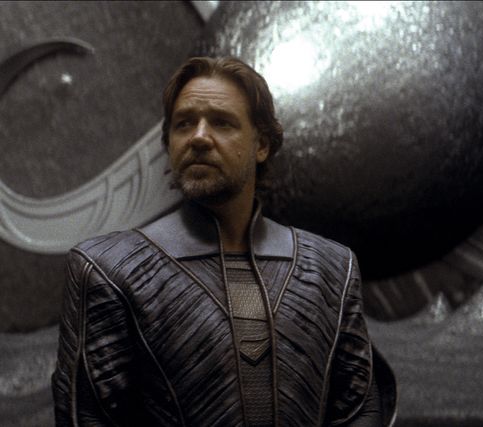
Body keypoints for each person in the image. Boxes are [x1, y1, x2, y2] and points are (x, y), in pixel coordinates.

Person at [52, 57, 396, 426]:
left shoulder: (331, 269)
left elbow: (359, 411)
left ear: (261, 145)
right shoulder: (108, 270)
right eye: (184, 123)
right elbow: (86, 418)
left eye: (222, 122)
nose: (199, 137)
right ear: (169, 143)